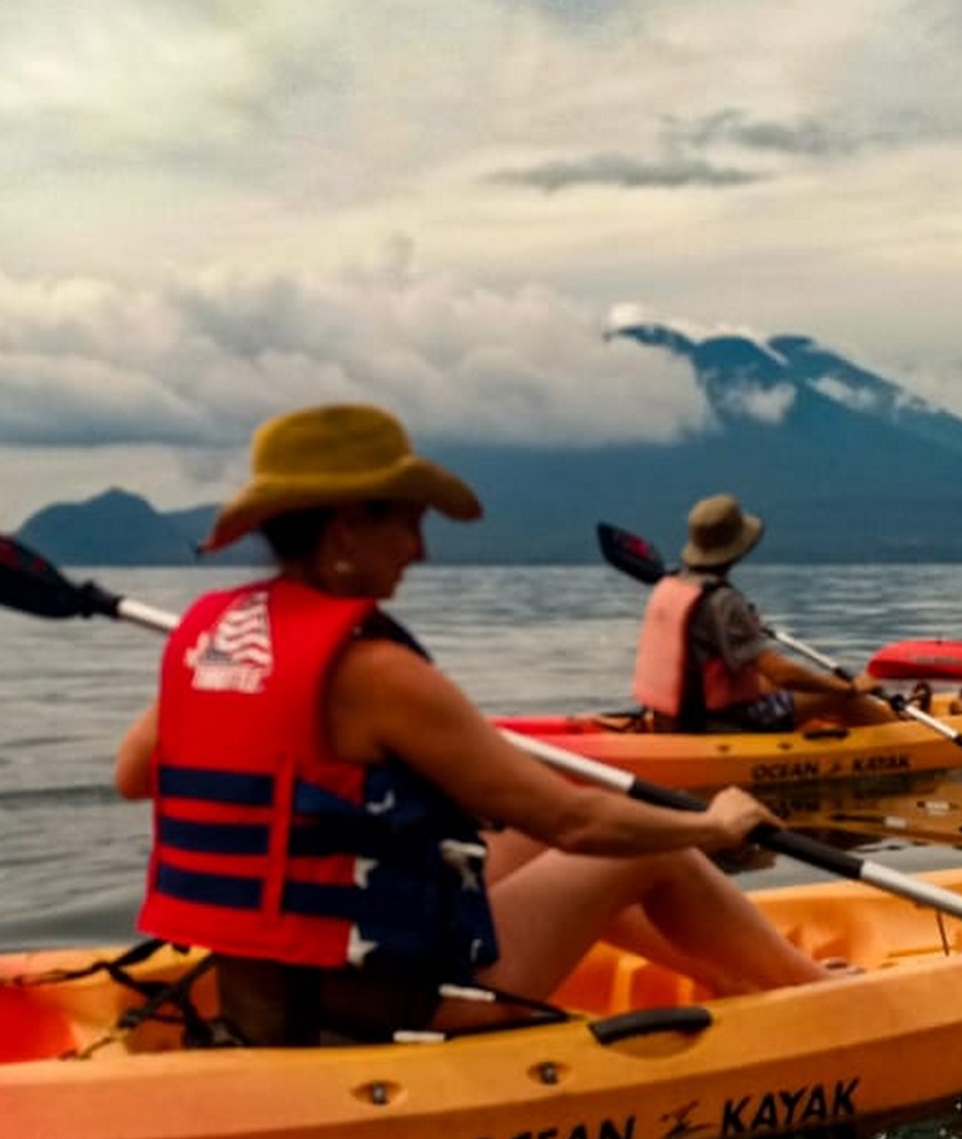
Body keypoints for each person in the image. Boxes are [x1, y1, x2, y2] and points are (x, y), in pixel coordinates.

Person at [112, 404, 836, 1047]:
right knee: (651, 846)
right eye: (406, 521)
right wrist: (715, 827)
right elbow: (577, 822)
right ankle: (815, 994)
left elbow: (133, 775)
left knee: (514, 839)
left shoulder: (211, 640)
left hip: (264, 987)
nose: (418, 549)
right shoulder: (377, 674)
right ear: (345, 527)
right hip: (383, 1004)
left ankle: (737, 976)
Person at [630, 493, 894, 732]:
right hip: (717, 721)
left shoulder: (673, 583)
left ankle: (878, 723)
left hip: (671, 715)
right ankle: (907, 738)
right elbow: (783, 673)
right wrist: (849, 687)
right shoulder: (723, 601)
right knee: (841, 696)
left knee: (777, 685)